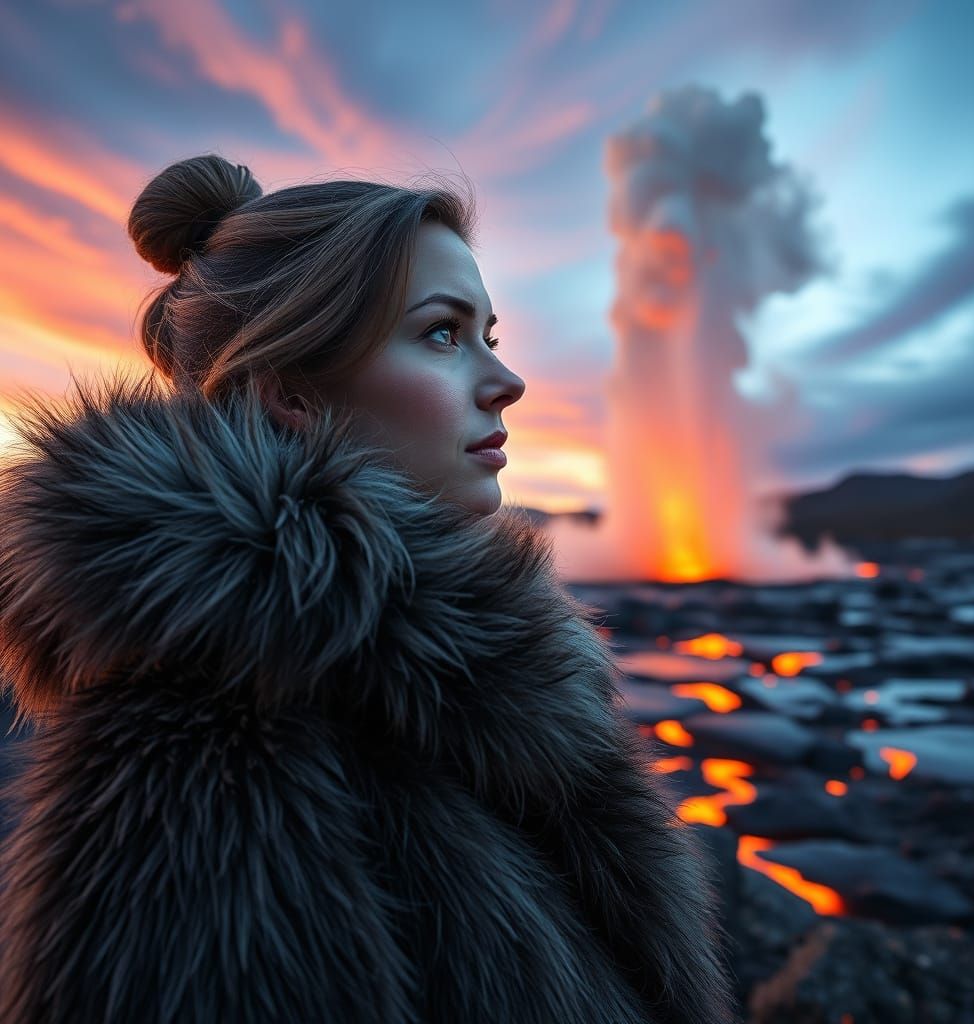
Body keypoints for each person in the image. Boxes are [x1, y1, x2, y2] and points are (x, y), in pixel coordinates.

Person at [0, 154, 740, 1023]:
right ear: (291, 394)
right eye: (442, 334)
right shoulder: (204, 762)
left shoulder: (462, 689)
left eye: (489, 337)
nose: (507, 383)